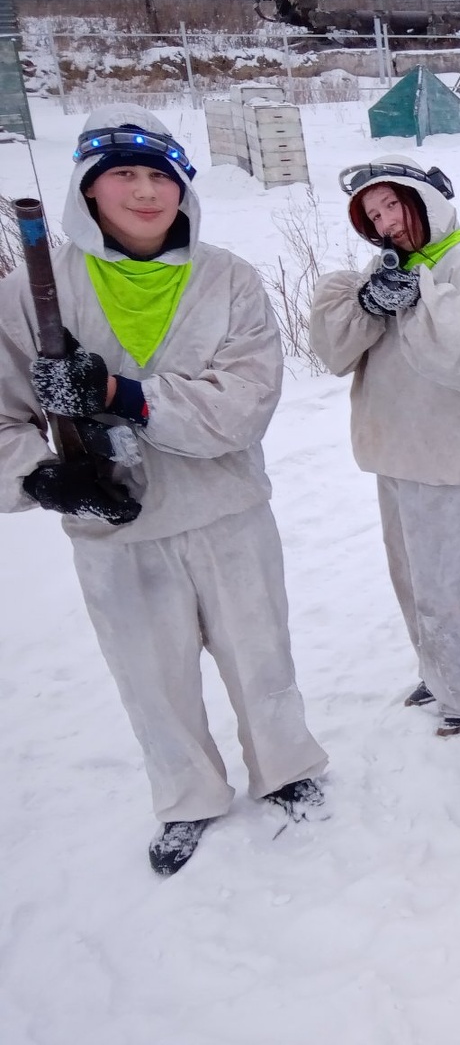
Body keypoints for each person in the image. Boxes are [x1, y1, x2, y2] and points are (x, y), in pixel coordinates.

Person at [0, 106, 328, 875]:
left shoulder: (229, 280)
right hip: (117, 530)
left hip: (226, 510)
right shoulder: (32, 295)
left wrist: (124, 392)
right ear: (88, 186)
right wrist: (48, 479)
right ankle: (188, 796)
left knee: (261, 656)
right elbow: (6, 416)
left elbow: (245, 403)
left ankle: (286, 769)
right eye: (124, 175)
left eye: (161, 176)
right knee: (151, 678)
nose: (146, 192)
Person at [310, 156, 460, 736]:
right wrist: (370, 304)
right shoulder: (386, 266)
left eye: (391, 206)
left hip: (446, 454)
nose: (385, 223)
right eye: (372, 215)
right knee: (412, 579)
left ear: (421, 201)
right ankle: (438, 670)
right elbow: (336, 351)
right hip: (393, 449)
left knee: (449, 584)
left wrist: (418, 296)